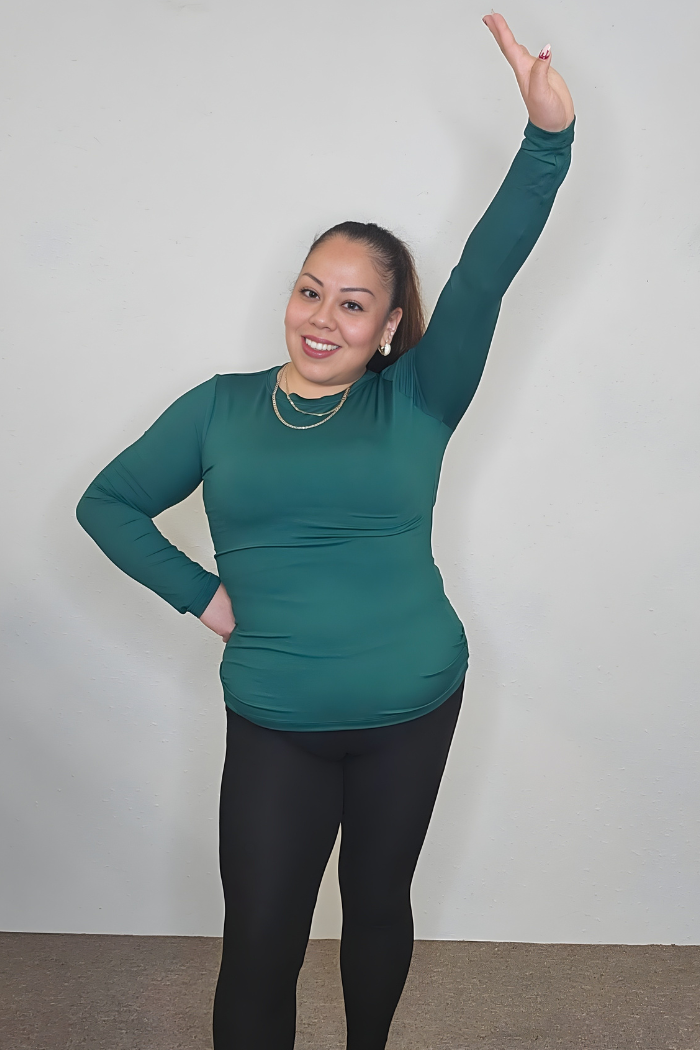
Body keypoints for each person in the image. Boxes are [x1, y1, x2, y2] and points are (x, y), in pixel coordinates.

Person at [76, 12, 575, 1050]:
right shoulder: (218, 408)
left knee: (377, 906)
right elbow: (107, 503)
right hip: (276, 718)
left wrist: (547, 140)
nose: (321, 318)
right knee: (260, 941)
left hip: (413, 703)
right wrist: (204, 596)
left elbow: (485, 273)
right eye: (311, 292)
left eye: (353, 305)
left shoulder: (419, 398)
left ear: (389, 327)